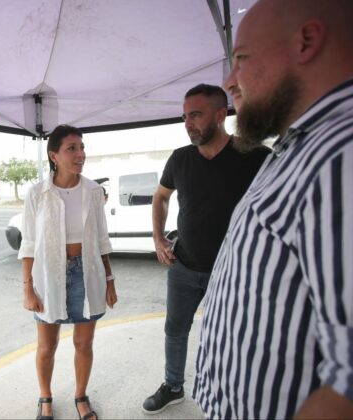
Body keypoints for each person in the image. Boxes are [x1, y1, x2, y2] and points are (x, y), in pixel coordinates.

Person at [193, 1, 353, 419]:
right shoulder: (301, 147)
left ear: (307, 41)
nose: (229, 81)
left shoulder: (342, 154)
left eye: (242, 58)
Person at [141, 84, 270, 414]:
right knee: (175, 331)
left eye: (195, 115)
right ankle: (173, 386)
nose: (188, 123)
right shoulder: (180, 158)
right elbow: (161, 196)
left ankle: (230, 392)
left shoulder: (254, 156)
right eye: (185, 116)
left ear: (220, 114)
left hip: (231, 271)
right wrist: (158, 238)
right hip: (183, 266)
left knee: (231, 336)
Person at [19, 124, 117, 420]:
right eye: (71, 148)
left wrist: (109, 280)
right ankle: (45, 397)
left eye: (82, 147)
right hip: (49, 276)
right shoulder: (37, 193)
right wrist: (28, 288)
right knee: (46, 346)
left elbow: (102, 240)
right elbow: (29, 244)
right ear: (54, 156)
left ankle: (81, 395)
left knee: (84, 343)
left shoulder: (93, 191)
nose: (80, 154)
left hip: (87, 273)